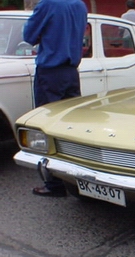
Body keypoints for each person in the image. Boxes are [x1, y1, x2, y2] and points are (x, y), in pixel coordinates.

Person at [23, 0, 88, 197]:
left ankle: (54, 183)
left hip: (50, 71)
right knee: (71, 125)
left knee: (47, 125)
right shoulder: (79, 5)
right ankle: (75, 179)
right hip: (71, 71)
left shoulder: (48, 4)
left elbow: (29, 36)